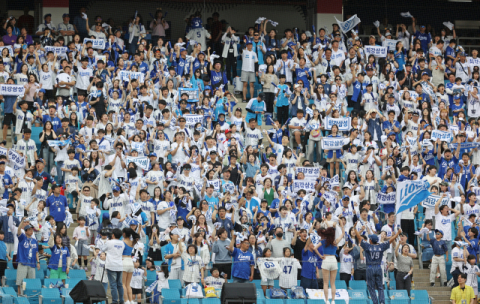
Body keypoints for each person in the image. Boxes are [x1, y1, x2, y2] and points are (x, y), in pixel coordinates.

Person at [354, 224, 401, 304]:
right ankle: (382, 302)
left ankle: (375, 302)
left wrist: (355, 228)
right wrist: (397, 233)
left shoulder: (368, 246)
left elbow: (359, 238)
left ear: (370, 240)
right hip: (379, 267)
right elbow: (390, 240)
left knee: (371, 287)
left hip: (370, 268)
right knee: (380, 287)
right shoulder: (381, 246)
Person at [15, 220, 40, 295]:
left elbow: (36, 252)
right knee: (20, 281)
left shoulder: (34, 241)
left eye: (32, 230)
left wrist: (38, 262)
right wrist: (22, 223)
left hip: (32, 264)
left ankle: (29, 296)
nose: (31, 231)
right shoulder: (22, 238)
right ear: (25, 231)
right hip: (23, 262)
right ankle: (20, 295)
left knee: (31, 282)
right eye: (29, 230)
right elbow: (19, 230)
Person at [101, 228, 125, 304]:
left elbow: (102, 249)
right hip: (119, 265)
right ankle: (121, 300)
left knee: (113, 284)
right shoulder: (122, 243)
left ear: (113, 235)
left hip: (111, 265)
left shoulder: (109, 242)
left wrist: (107, 242)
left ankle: (115, 301)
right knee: (120, 284)